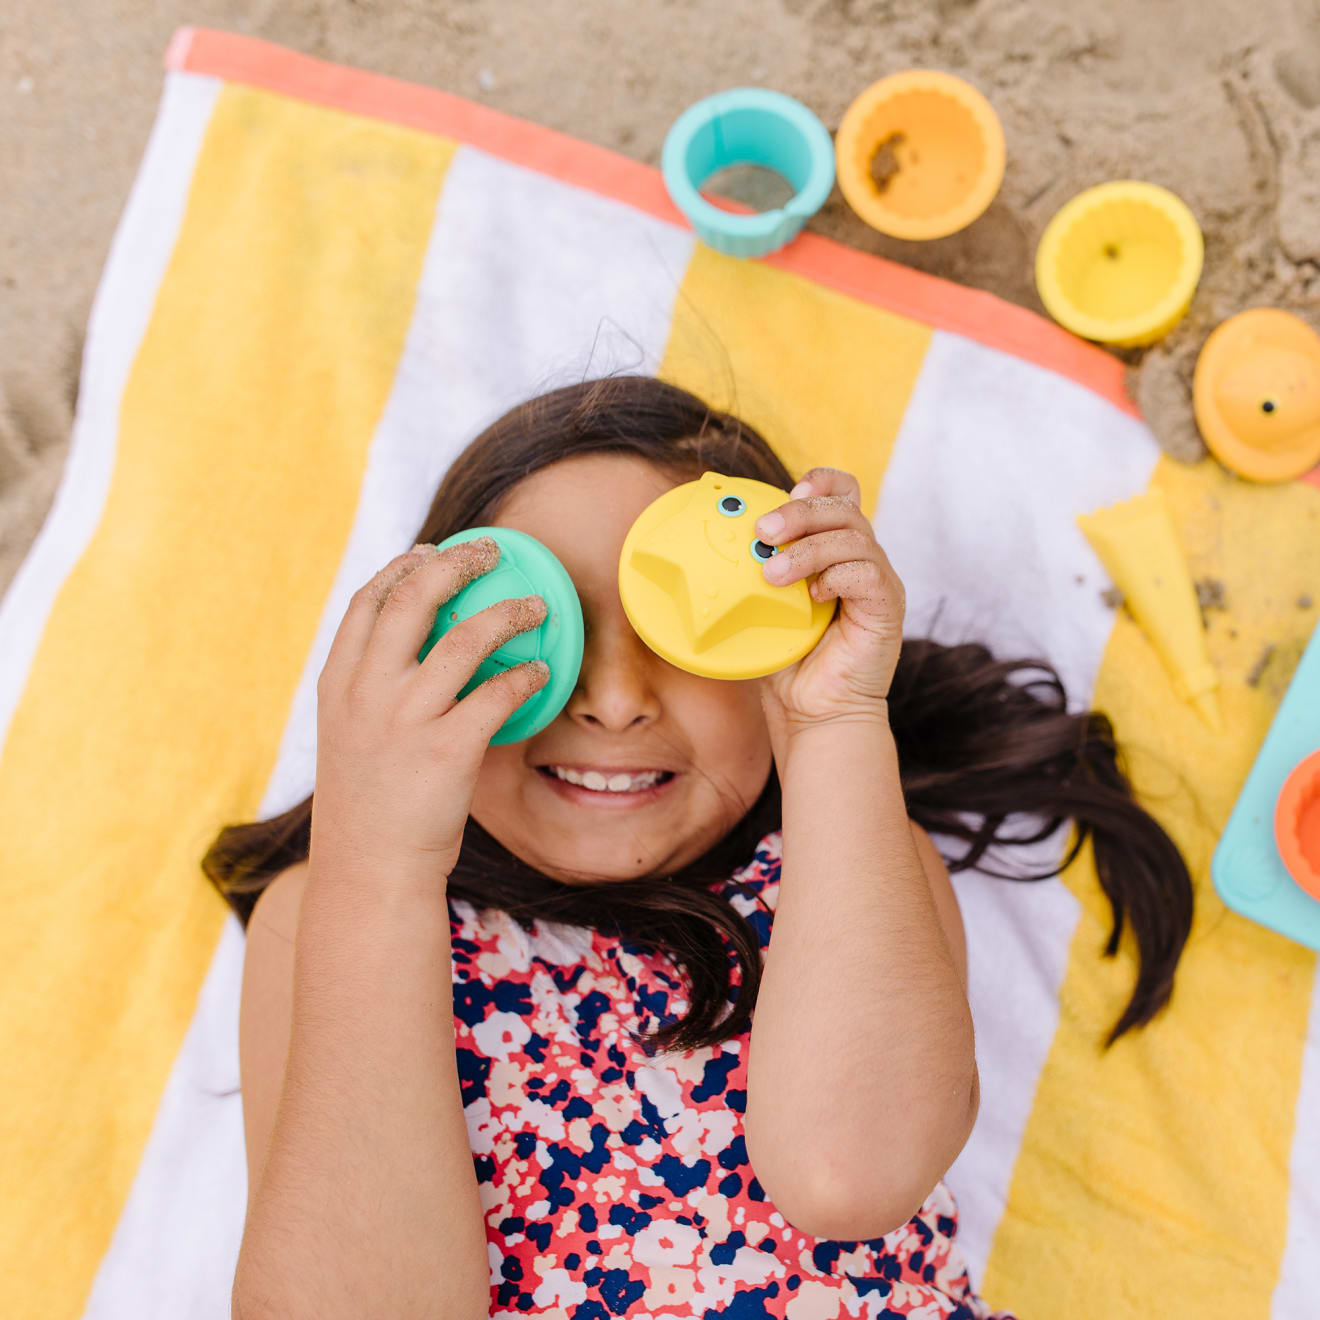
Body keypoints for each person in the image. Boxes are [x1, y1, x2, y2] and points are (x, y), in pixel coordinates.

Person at [207, 373, 1193, 1320]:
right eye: (541, 634)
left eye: (680, 630)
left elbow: (851, 1174)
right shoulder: (345, 906)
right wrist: (378, 858)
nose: (614, 699)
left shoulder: (841, 868)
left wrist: (834, 724)